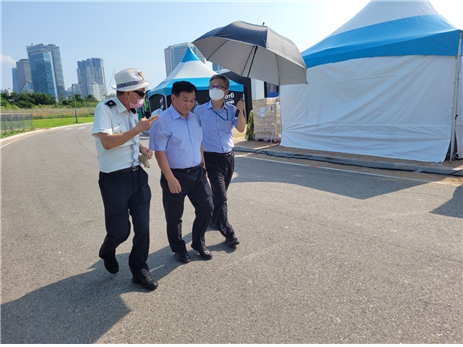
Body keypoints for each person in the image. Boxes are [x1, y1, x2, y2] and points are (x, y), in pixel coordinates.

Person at [92, 68, 159, 291]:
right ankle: (107, 250)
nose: (143, 97)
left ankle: (139, 270)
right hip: (114, 180)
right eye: (140, 93)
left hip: (137, 176)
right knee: (120, 231)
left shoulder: (132, 112)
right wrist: (138, 129)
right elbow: (108, 142)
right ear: (127, 92)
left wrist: (142, 149)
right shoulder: (105, 109)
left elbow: (130, 140)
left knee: (143, 227)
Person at [149, 81, 213, 264]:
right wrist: (169, 178)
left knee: (207, 208)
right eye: (185, 99)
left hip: (197, 173)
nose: (189, 104)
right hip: (175, 175)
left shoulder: (192, 118)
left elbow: (199, 142)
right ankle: (178, 249)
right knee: (175, 216)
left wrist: (203, 164)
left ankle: (198, 243)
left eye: (192, 100)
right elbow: (159, 152)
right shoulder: (162, 121)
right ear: (173, 98)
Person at [194, 74, 246, 248]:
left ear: (226, 90)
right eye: (212, 86)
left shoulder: (231, 109)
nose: (215, 89)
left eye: (219, 86)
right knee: (221, 197)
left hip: (229, 158)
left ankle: (215, 220)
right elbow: (196, 138)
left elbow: (240, 128)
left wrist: (241, 111)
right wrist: (202, 162)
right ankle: (228, 233)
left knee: (220, 196)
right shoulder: (200, 111)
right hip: (211, 158)